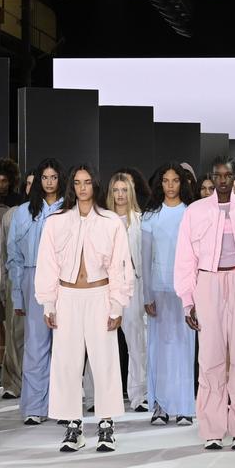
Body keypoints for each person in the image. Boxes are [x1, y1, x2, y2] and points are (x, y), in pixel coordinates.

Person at [174, 156, 235, 450]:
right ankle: (212, 429)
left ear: (234, 178)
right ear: (212, 178)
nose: (222, 180)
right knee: (210, 358)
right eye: (217, 176)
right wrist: (186, 300)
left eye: (227, 175)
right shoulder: (195, 211)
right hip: (207, 283)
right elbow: (185, 258)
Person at [36, 164, 135, 452]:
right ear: (71, 186)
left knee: (104, 362)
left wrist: (117, 306)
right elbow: (47, 265)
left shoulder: (110, 222)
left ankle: (106, 425)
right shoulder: (56, 222)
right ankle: (73, 426)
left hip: (100, 295)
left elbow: (120, 265)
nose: (82, 187)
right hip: (67, 297)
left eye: (87, 182)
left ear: (95, 185)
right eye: (77, 182)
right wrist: (49, 303)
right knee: (66, 364)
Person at [7, 158, 64, 425]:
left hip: (66, 280)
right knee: (36, 344)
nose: (50, 182)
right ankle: (34, 406)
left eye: (54, 177)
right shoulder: (22, 212)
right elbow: (14, 257)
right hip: (32, 276)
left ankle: (63, 406)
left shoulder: (70, 208)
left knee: (65, 345)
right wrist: (18, 294)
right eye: (45, 177)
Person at [142, 163, 197, 426]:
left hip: (186, 291)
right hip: (159, 289)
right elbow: (144, 258)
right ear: (160, 183)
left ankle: (185, 405)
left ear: (182, 183)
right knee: (160, 349)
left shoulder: (191, 213)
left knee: (186, 348)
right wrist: (146, 295)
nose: (171, 185)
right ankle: (161, 406)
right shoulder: (151, 215)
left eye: (175, 180)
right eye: (166, 180)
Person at [108, 172, 148, 412]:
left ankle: (138, 395)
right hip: (107, 288)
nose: (120, 195)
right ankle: (97, 398)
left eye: (124, 190)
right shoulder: (103, 220)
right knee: (102, 345)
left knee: (136, 343)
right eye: (116, 190)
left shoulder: (140, 221)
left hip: (134, 286)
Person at [0, 173, 31, 400]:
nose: (32, 187)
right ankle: (12, 382)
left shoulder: (58, 214)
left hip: (43, 280)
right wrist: (2, 286)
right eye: (28, 183)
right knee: (15, 333)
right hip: (15, 280)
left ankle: (39, 384)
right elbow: (3, 254)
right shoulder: (11, 216)